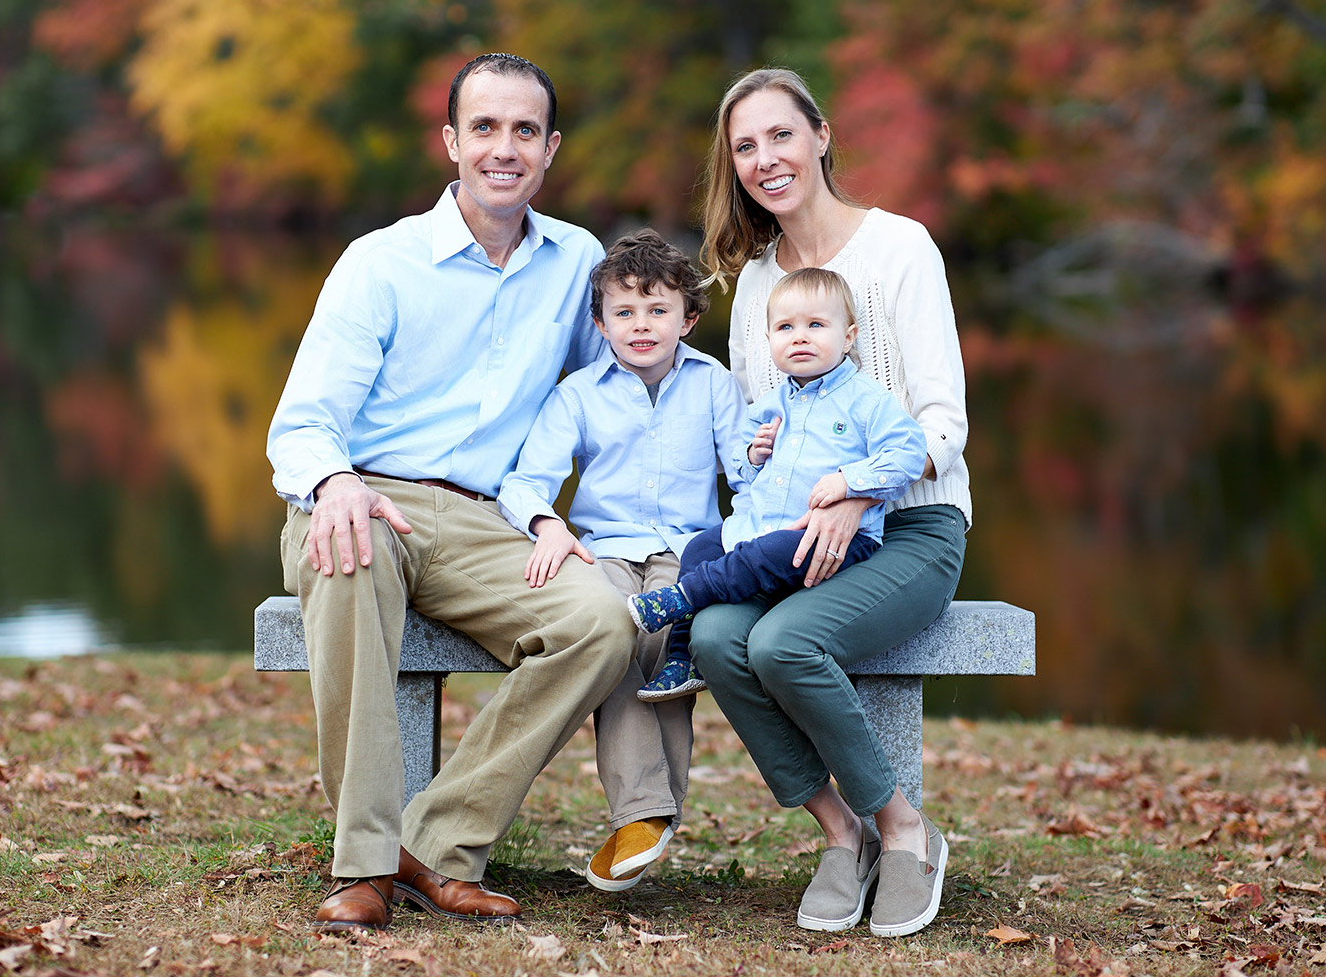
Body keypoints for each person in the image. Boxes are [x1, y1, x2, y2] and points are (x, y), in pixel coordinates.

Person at [266, 53, 637, 933]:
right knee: (349, 555)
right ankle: (363, 866)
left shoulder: (577, 263)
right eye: (484, 128)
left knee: (602, 620)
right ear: (451, 142)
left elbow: (616, 393)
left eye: (524, 131)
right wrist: (334, 481)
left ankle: (434, 844)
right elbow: (304, 421)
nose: (504, 149)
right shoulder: (381, 262)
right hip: (367, 499)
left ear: (550, 149)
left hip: (487, 520)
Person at [689, 68, 973, 938]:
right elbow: (758, 436)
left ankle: (905, 830)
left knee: (785, 642)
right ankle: (840, 832)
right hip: (794, 532)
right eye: (745, 146)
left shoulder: (900, 249)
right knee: (714, 637)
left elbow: (945, 420)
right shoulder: (755, 285)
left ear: (821, 135)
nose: (766, 159)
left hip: (914, 525)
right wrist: (756, 456)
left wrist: (858, 491)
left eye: (781, 134)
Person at [496, 228, 748, 893]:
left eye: (658, 309)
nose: (642, 325)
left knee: (665, 637)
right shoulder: (578, 394)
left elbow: (749, 477)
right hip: (602, 549)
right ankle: (648, 813)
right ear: (601, 323)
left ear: (687, 319)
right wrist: (547, 524)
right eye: (625, 311)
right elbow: (524, 483)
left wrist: (762, 470)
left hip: (688, 549)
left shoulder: (714, 384)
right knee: (607, 633)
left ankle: (642, 815)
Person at [625, 267, 935, 695]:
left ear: (848, 337)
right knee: (699, 547)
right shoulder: (769, 407)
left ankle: (684, 597)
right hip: (763, 528)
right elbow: (742, 475)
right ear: (769, 339)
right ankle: (681, 658)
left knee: (766, 551)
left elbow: (909, 454)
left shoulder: (867, 402)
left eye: (816, 325)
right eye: (786, 328)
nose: (800, 337)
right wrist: (753, 456)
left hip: (829, 539)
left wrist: (849, 482)